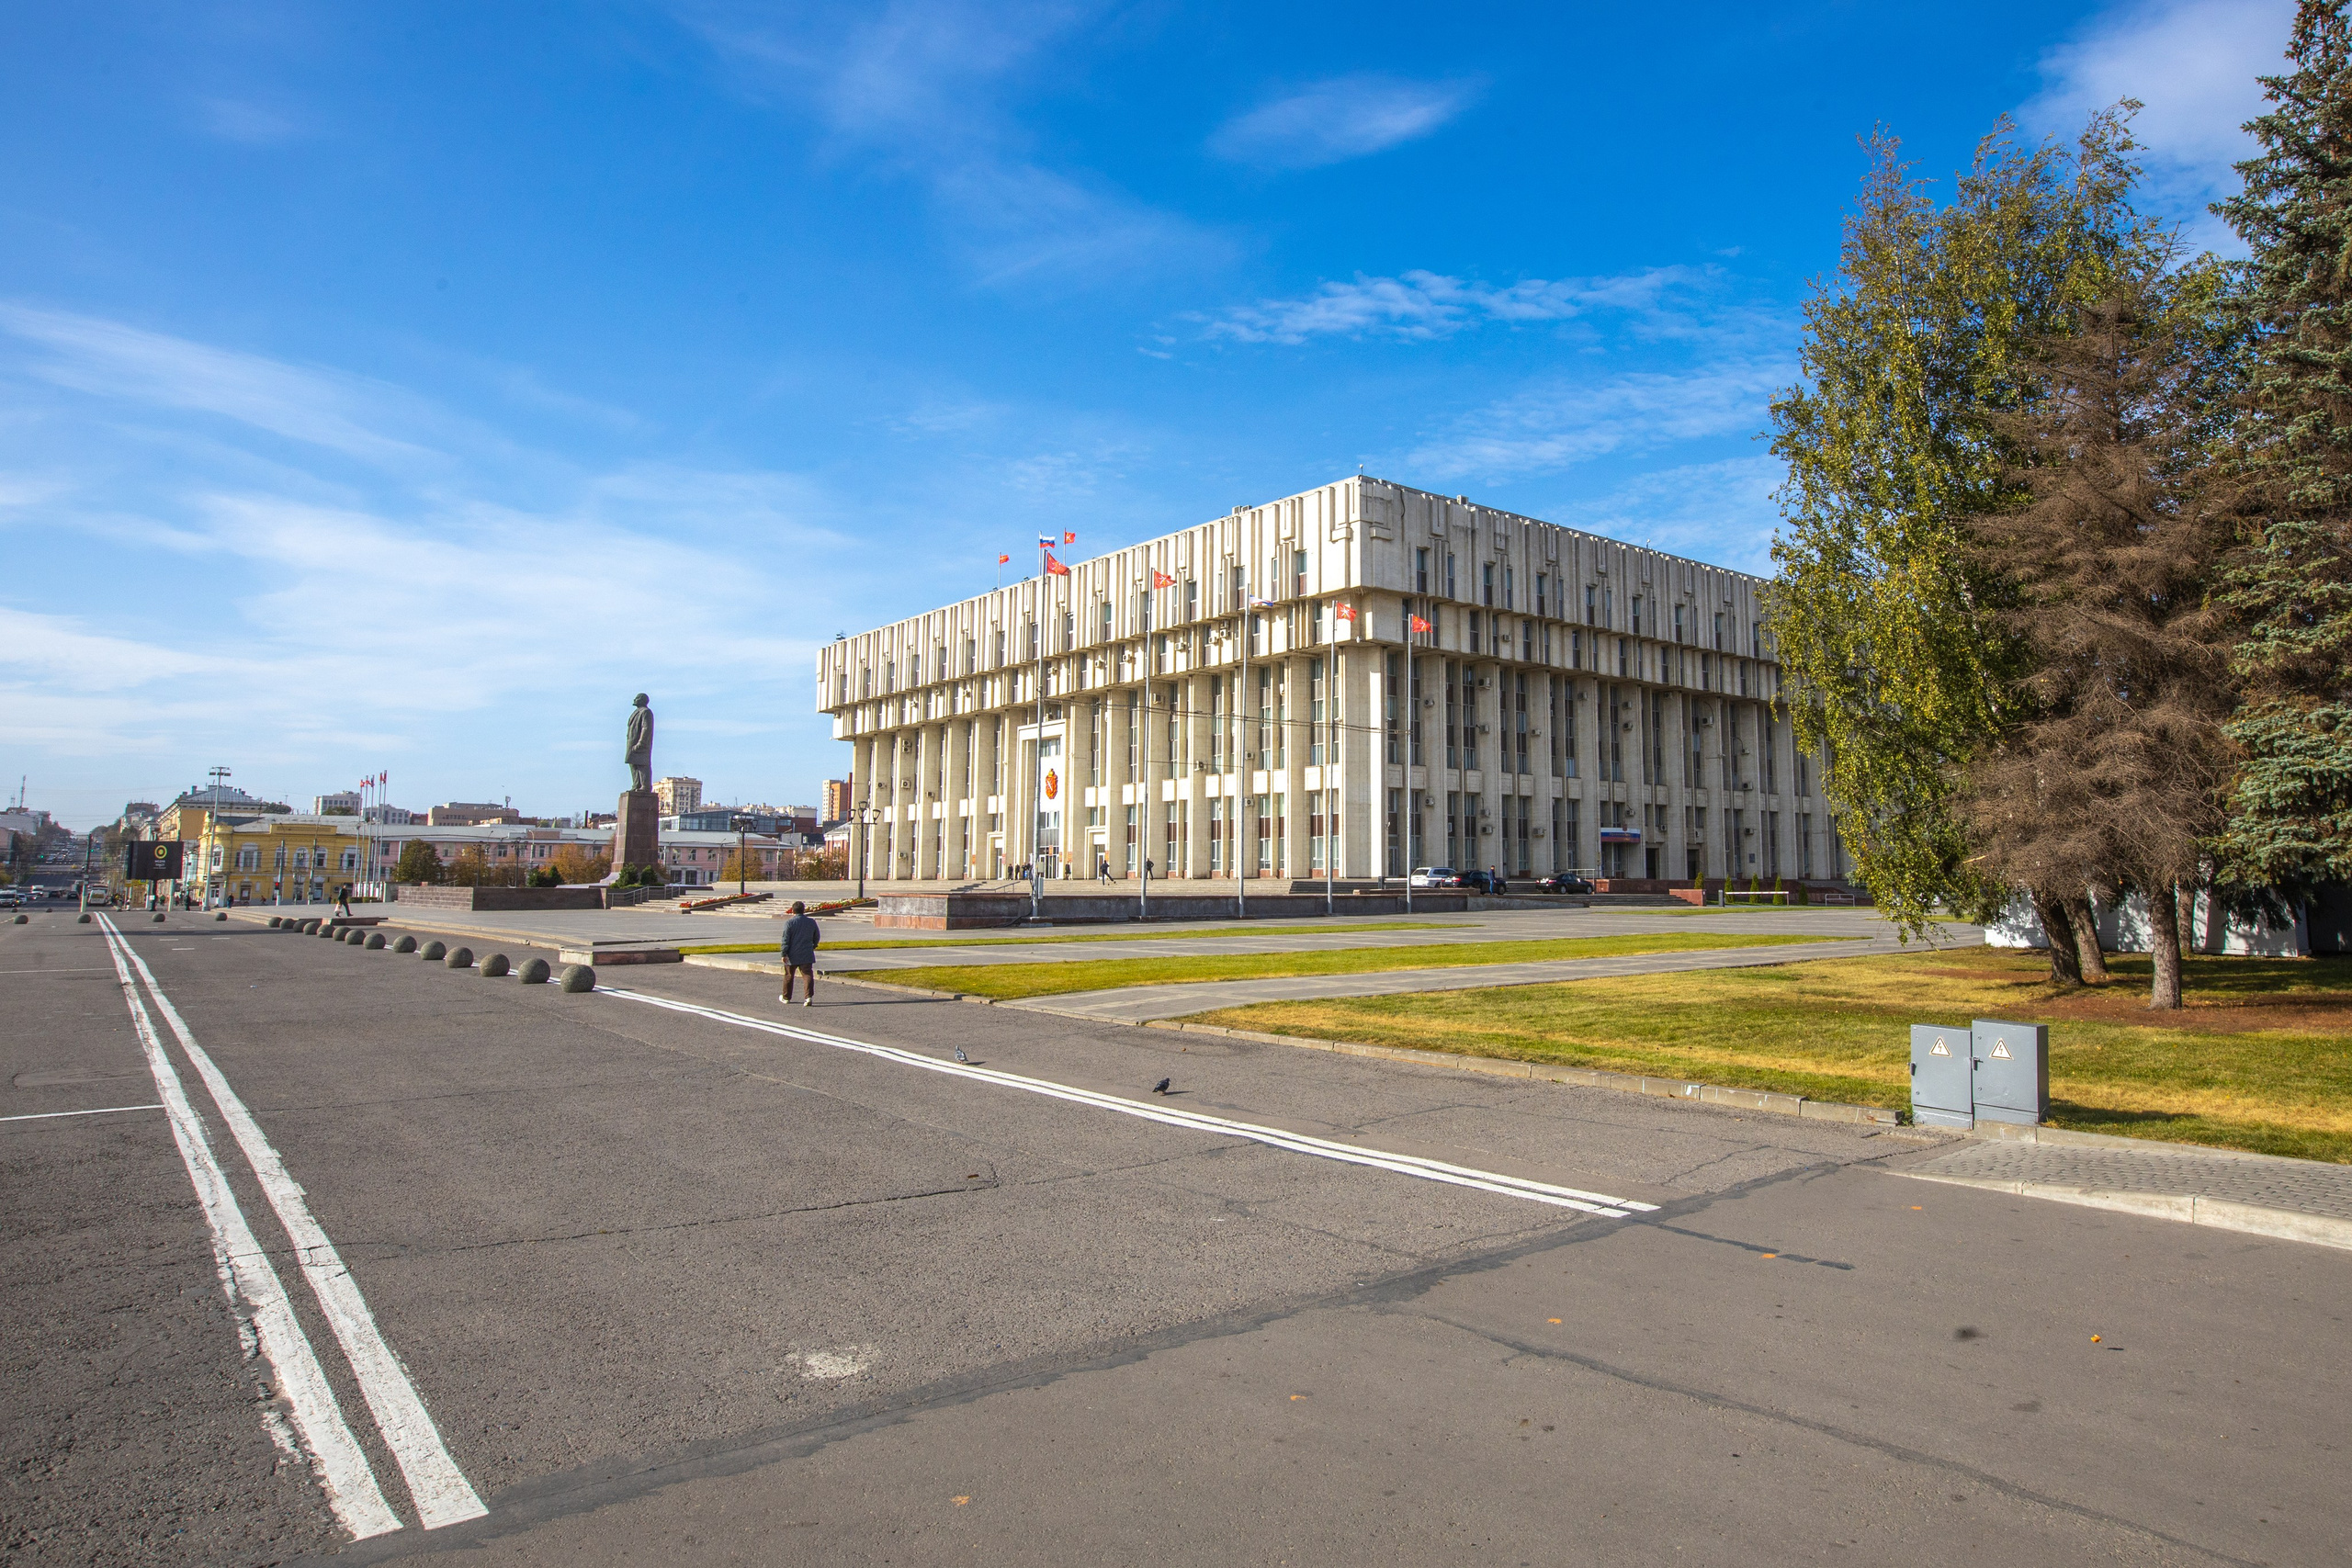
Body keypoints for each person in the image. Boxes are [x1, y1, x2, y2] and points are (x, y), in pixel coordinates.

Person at [780, 899, 820, 1007]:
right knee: (807, 975)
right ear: (803, 910)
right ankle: (808, 997)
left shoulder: (789, 923)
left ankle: (786, 997)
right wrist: (813, 945)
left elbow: (785, 939)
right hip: (807, 952)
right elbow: (816, 936)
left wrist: (783, 953)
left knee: (789, 975)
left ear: (793, 911)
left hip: (792, 954)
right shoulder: (811, 922)